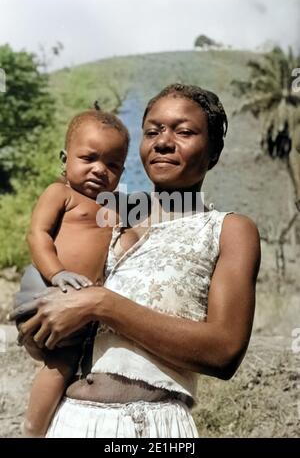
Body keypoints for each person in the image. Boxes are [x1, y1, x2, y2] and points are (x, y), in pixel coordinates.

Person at [11, 83, 261, 438]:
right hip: (69, 422)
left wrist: (101, 304)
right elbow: (49, 281)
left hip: (154, 429)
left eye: (184, 132)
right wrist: (38, 329)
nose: (162, 142)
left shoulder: (227, 229)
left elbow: (224, 353)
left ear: (214, 152)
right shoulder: (104, 211)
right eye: (152, 131)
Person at [14, 108, 129, 437]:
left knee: (71, 362)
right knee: (60, 363)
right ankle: (32, 430)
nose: (99, 170)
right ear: (65, 159)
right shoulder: (60, 193)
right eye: (89, 158)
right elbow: (38, 235)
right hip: (44, 288)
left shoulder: (113, 206)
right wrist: (57, 273)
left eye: (112, 165)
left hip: (76, 303)